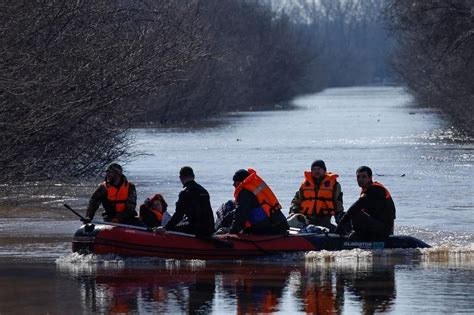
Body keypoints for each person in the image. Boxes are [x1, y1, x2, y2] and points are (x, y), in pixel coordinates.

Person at [335, 166, 396, 240]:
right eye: (358, 177)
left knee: (355, 213)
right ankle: (353, 233)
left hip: (384, 230)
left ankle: (358, 236)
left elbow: (356, 207)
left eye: (364, 177)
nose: (360, 179)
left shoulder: (375, 190)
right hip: (378, 224)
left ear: (370, 178)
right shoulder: (369, 189)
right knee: (346, 214)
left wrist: (341, 224)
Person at [157, 166, 215, 237]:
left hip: (196, 229)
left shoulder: (185, 192)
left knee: (171, 229)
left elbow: (179, 214)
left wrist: (166, 227)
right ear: (194, 176)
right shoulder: (204, 191)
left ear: (180, 178)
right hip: (209, 228)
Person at [229, 168, 289, 234]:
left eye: (235, 181)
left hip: (267, 227)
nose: (233, 184)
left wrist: (232, 232)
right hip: (279, 223)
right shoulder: (256, 187)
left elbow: (241, 214)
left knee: (230, 216)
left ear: (241, 181)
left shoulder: (245, 193)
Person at [289, 160, 344, 232]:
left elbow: (338, 204)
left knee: (337, 230)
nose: (316, 171)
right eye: (314, 169)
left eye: (319, 169)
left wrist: (341, 221)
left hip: (324, 220)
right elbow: (296, 201)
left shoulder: (334, 185)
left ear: (324, 170)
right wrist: (294, 212)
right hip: (306, 220)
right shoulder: (305, 185)